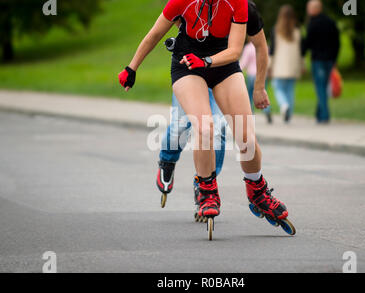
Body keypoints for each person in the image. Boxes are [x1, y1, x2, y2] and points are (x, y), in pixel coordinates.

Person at [119, 0, 289, 224]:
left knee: (245, 136)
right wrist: (132, 68)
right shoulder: (181, 2)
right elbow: (154, 34)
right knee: (204, 127)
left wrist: (257, 86)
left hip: (222, 65)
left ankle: (257, 190)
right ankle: (206, 189)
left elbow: (236, 50)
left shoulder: (239, 4)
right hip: (187, 66)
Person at [302, 0, 340, 124]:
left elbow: (308, 42)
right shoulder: (330, 22)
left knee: (321, 88)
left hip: (318, 60)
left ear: (316, 8)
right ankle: (319, 114)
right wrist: (335, 59)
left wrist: (302, 53)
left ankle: (324, 116)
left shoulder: (312, 24)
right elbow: (337, 42)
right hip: (329, 59)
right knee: (323, 87)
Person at [269, 4, 303, 123]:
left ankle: (284, 105)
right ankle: (288, 114)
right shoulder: (297, 32)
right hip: (293, 66)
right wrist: (302, 64)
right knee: (290, 90)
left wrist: (269, 65)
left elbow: (272, 50)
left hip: (279, 66)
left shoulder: (276, 31)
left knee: (277, 87)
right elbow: (301, 51)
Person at [240, 41, 273, 123]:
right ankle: (267, 110)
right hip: (262, 74)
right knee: (262, 94)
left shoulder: (248, 48)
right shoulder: (264, 45)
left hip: (251, 74)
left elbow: (244, 62)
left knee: (250, 94)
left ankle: (250, 113)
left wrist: (238, 70)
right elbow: (267, 60)